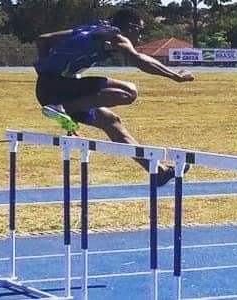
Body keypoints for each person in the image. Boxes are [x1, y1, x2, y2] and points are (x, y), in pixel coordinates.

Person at [34, 7, 194, 186]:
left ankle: (158, 171)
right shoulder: (115, 35)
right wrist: (175, 76)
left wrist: (47, 69)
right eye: (139, 32)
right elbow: (139, 59)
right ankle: (64, 108)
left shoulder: (91, 28)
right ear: (130, 27)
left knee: (111, 122)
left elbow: (43, 40)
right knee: (129, 92)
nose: (139, 38)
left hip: (48, 90)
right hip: (58, 88)